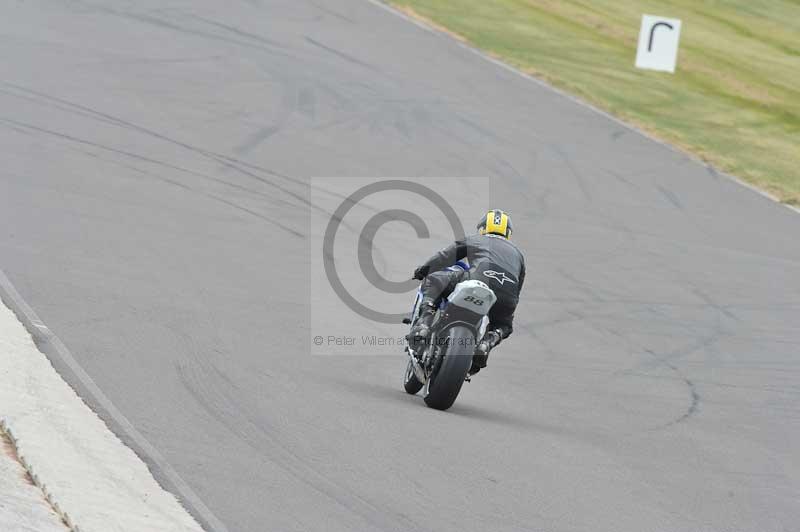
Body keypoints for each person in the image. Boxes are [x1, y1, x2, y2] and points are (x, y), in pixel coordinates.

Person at [407, 209, 525, 374]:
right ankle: (487, 343)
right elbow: (517, 289)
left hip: (477, 281)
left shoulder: (476, 239)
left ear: (483, 228)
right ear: (508, 233)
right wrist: (507, 308)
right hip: (507, 296)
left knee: (434, 280)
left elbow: (445, 256)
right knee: (504, 325)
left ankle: (424, 324)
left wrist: (423, 270)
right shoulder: (518, 255)